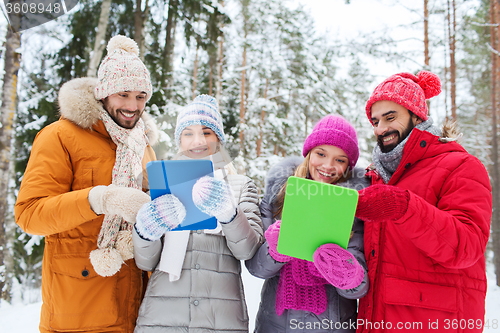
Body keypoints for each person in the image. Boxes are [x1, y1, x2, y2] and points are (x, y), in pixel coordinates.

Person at [15, 35, 158, 332]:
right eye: (123, 94)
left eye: (141, 96)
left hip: (137, 313)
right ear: (103, 93)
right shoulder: (60, 137)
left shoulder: (140, 145)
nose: (133, 106)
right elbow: (30, 215)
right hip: (78, 313)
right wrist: (98, 199)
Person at [355, 71, 492, 332]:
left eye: (390, 117)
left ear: (416, 114)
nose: (380, 128)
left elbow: (467, 246)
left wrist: (404, 206)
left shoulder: (461, 166)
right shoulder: (376, 177)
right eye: (374, 121)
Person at [131, 94, 264, 332]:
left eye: (206, 132)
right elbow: (146, 261)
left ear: (218, 139)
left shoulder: (240, 185)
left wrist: (228, 213)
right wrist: (145, 232)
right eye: (188, 133)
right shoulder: (162, 182)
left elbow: (248, 250)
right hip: (163, 318)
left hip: (220, 320)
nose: (198, 141)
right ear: (180, 140)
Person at [246, 115, 370, 333]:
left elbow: (357, 289)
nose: (328, 166)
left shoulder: (354, 209)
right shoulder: (277, 197)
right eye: (321, 154)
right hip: (275, 325)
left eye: (340, 160)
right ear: (309, 153)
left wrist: (345, 270)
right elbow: (255, 269)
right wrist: (275, 248)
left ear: (348, 166)